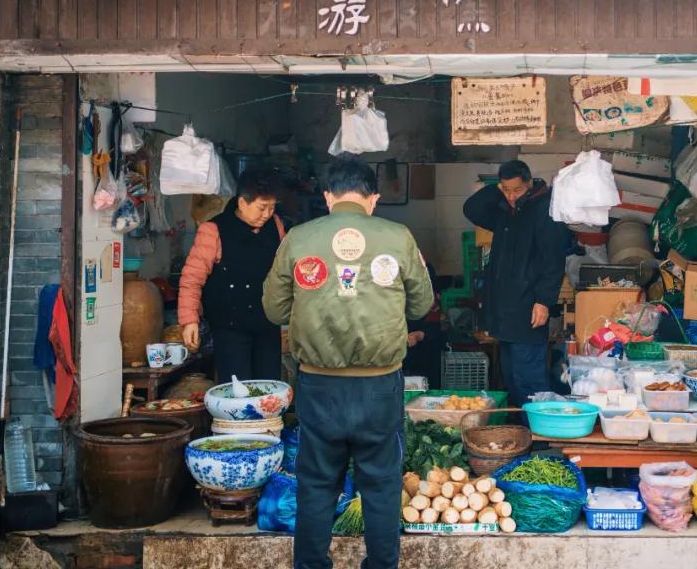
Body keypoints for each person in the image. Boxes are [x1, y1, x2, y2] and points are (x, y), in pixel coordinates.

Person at [262, 154, 433, 569]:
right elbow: (422, 304)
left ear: (327, 197)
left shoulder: (298, 238)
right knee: (382, 485)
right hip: (380, 385)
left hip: (319, 385)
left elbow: (273, 309)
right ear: (373, 199)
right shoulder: (399, 236)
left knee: (317, 483)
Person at [463, 160, 568, 409]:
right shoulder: (504, 210)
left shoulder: (545, 210)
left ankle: (540, 430)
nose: (511, 196)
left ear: (529, 183)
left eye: (517, 190)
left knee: (529, 381)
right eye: (506, 190)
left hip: (528, 307)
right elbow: (471, 209)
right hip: (504, 310)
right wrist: (496, 188)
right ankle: (522, 429)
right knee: (511, 378)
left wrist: (544, 301)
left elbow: (554, 260)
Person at [179, 167, 287, 381]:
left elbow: (286, 270)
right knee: (237, 390)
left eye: (272, 207)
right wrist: (189, 320)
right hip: (229, 329)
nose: (267, 214)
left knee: (269, 389)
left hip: (267, 326)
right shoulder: (213, 230)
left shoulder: (275, 225)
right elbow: (192, 279)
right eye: (262, 208)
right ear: (242, 202)